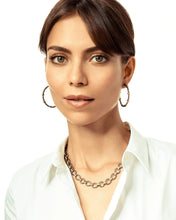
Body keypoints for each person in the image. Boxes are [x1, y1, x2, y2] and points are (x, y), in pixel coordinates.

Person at [4, 0, 176, 219]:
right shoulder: (24, 190)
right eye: (59, 58)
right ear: (46, 66)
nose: (76, 78)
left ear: (127, 70)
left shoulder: (172, 172)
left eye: (98, 58)